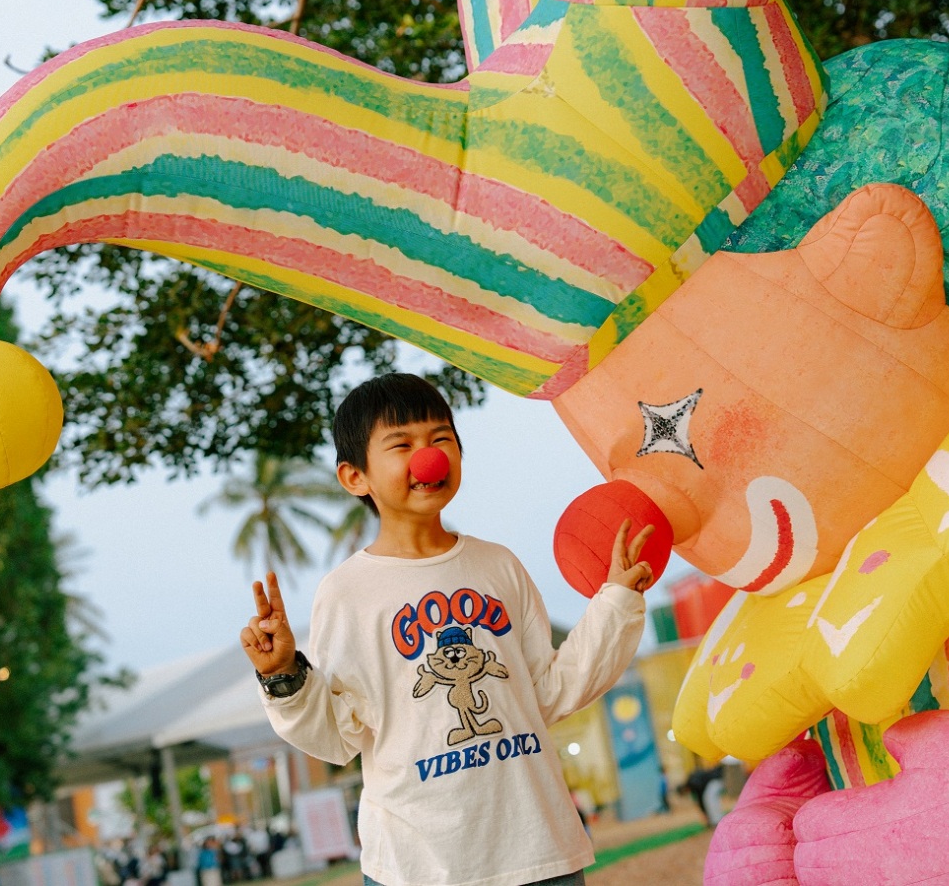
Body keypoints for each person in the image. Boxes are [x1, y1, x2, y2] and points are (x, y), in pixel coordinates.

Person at [241, 373, 651, 886]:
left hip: (538, 850)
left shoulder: (498, 565)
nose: (429, 458)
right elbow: (338, 736)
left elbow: (548, 692)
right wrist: (282, 673)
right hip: (418, 866)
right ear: (355, 476)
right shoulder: (346, 594)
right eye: (402, 444)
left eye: (441, 439)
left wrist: (616, 601)